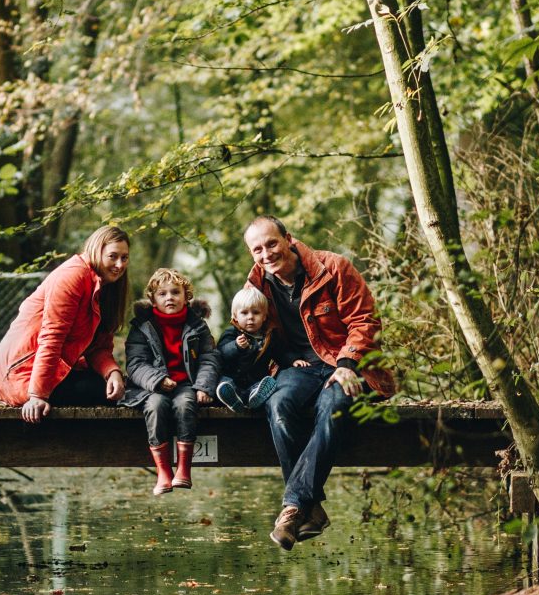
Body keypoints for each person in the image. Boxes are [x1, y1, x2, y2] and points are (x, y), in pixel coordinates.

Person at [241, 216, 397, 549]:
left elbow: (365, 321)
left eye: (272, 243)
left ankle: (295, 506)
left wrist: (347, 364)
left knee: (334, 403)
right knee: (278, 403)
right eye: (258, 249)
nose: (267, 254)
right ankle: (309, 507)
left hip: (347, 365)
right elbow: (248, 330)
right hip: (299, 369)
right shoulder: (256, 285)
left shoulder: (334, 268)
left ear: (288, 238)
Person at [0, 225, 130, 422]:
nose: (119, 264)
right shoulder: (73, 275)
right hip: (22, 374)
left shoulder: (108, 287)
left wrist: (112, 372)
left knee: (120, 389)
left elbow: (99, 347)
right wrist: (37, 395)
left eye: (124, 258)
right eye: (113, 256)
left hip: (56, 371)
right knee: (113, 394)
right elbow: (51, 337)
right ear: (97, 251)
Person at [120, 267, 221, 493]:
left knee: (185, 404)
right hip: (152, 388)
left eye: (175, 292)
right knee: (156, 407)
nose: (170, 298)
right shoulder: (142, 327)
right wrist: (158, 380)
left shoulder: (197, 325)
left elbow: (209, 358)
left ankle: (184, 469)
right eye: (162, 294)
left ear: (186, 297)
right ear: (153, 300)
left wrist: (203, 387)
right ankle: (163, 471)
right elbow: (136, 363)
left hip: (186, 384)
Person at [213, 285, 282, 415]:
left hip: (254, 380)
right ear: (235, 316)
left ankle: (254, 397)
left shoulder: (268, 336)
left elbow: (280, 353)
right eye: (244, 313)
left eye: (256, 313)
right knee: (224, 383)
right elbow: (221, 353)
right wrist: (236, 346)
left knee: (261, 384)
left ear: (264, 316)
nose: (250, 317)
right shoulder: (231, 333)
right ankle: (232, 398)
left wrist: (293, 359)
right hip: (233, 378)